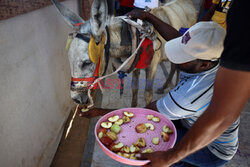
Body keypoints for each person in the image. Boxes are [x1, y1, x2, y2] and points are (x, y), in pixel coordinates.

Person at [125, 1, 250, 167]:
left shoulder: (186, 98)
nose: (175, 59)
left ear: (203, 64)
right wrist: (148, 16)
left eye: (184, 57)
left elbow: (149, 113)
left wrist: (169, 157)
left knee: (157, 149)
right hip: (191, 122)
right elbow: (179, 39)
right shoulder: (212, 57)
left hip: (213, 150)